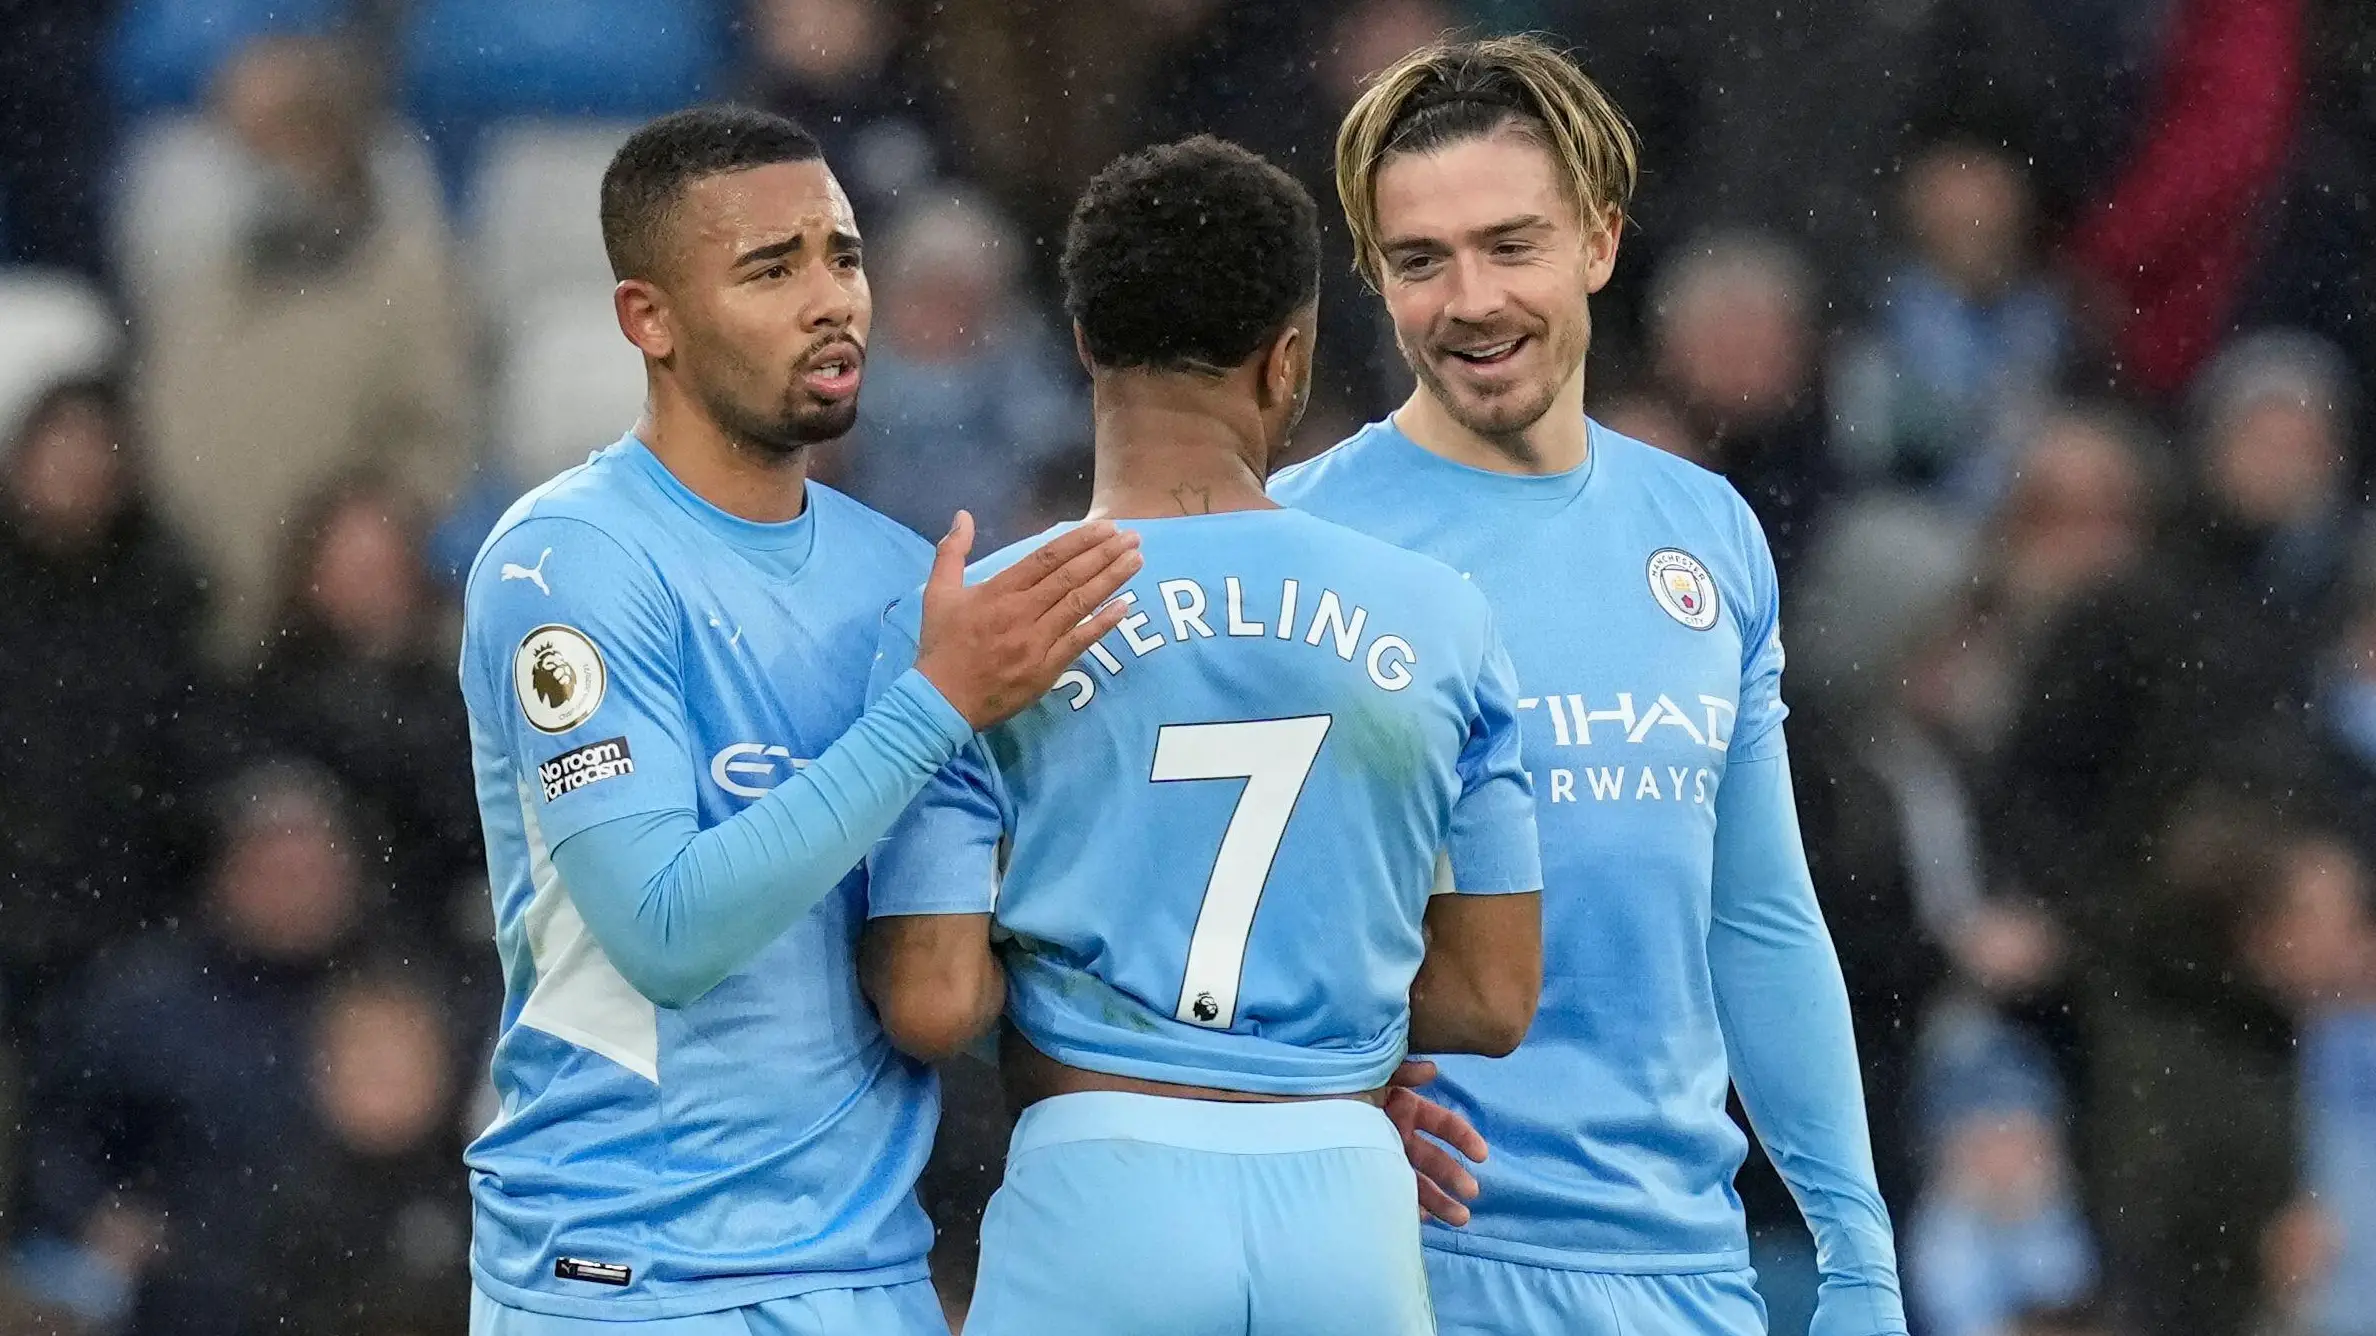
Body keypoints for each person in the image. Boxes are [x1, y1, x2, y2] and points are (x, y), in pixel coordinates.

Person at [457, 106, 1143, 1336]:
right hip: (629, 1282)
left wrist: (1306, 1090)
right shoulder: (569, 561)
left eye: (843, 256)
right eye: (771, 270)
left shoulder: (903, 580)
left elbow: (950, 979)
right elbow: (665, 929)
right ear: (647, 320)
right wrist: (936, 705)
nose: (831, 299)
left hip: (865, 1279)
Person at [1273, 36, 1909, 1336]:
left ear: (1600, 243)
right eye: (1421, 260)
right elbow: (1196, 933)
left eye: (1512, 245)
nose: (1471, 299)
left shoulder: (1706, 531)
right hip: (1399, 1271)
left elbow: (1759, 918)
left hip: (1683, 1273)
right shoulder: (1298, 546)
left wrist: (1858, 1251)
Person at [860, 135, 1545, 1336]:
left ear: (1081, 344)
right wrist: (1316, 1008)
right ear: (1288, 360)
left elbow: (930, 999)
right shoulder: (1445, 617)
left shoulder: (975, 624)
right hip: (1345, 1195)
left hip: (1096, 1173)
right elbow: (1493, 996)